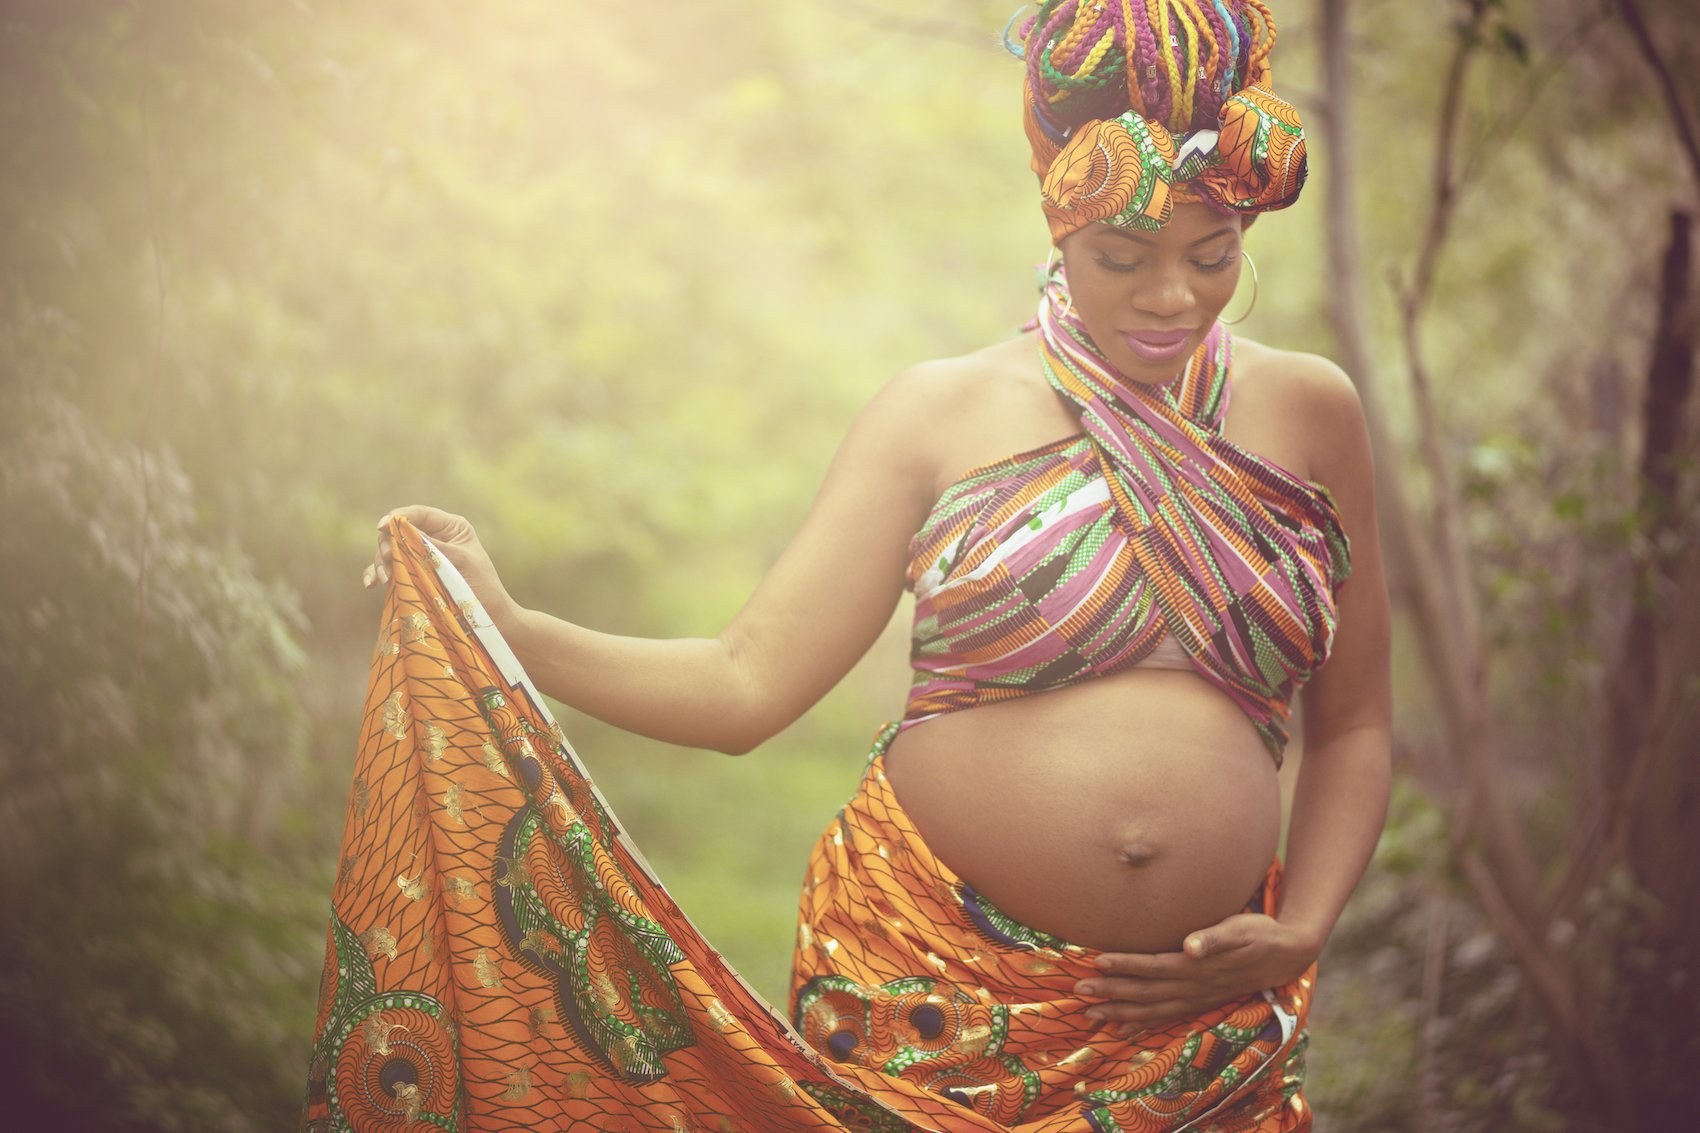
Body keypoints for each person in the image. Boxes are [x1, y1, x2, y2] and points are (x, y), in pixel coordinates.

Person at [319, 2, 1389, 1130]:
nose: (1170, 296)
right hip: (928, 996)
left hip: (1200, 1031)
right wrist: (515, 628)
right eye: (1120, 258)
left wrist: (1303, 922)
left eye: (1210, 256)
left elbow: (1356, 721)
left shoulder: (1308, 411)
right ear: (1058, 225)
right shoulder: (938, 413)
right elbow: (741, 684)